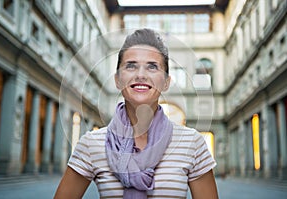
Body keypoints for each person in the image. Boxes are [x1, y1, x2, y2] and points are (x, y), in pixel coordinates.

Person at [54, 28, 218, 199]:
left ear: (166, 83)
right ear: (117, 79)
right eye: (131, 66)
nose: (141, 75)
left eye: (152, 67)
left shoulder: (192, 143)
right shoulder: (92, 144)